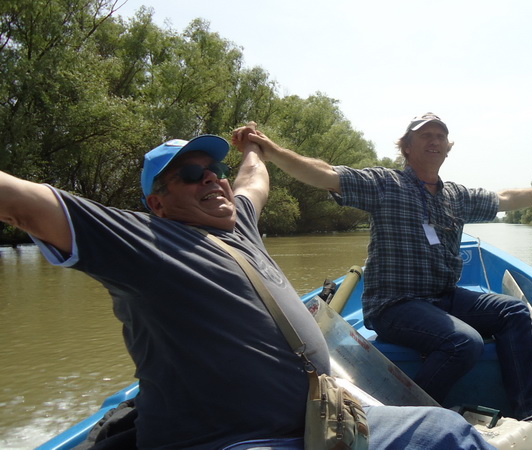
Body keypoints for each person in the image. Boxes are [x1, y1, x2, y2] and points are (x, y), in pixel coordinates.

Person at [0, 125, 496, 449]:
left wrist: (254, 146)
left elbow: (254, 178)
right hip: (235, 440)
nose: (210, 180)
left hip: (316, 418)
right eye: (190, 175)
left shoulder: (239, 225)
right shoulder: (142, 240)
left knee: (449, 432)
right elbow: (23, 202)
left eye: (214, 170)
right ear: (157, 203)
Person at [240, 113, 532, 448]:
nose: (435, 140)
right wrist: (272, 151)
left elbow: (506, 198)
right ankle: (404, 421)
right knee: (464, 342)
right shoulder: (384, 185)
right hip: (394, 304)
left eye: (440, 136)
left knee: (513, 312)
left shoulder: (456, 196)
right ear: (406, 147)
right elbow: (325, 174)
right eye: (425, 135)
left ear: (448, 148)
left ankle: (531, 415)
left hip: (444, 296)